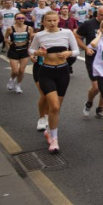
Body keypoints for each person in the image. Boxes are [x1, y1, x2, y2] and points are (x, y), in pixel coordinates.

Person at [28, 11, 79, 153]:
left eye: (54, 20)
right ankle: (55, 140)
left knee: (57, 107)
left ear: (58, 21)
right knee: (54, 106)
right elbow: (31, 50)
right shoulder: (39, 35)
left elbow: (76, 51)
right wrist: (37, 53)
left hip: (63, 72)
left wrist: (69, 53)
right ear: (43, 22)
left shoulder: (67, 33)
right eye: (48, 20)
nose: (51, 23)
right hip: (46, 72)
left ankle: (50, 130)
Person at [76, 6, 103, 119]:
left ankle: (100, 108)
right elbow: (77, 36)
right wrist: (86, 48)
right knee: (96, 87)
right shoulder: (88, 24)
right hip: (92, 59)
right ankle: (89, 102)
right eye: (101, 15)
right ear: (97, 14)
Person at [5, 12, 34, 94]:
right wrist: (10, 43)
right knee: (15, 71)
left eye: (22, 18)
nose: (21, 20)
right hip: (14, 51)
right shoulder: (10, 29)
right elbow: (5, 38)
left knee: (21, 70)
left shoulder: (29, 28)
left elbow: (32, 39)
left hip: (24, 51)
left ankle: (18, 85)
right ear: (15, 20)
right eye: (19, 18)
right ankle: (11, 80)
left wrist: (30, 45)